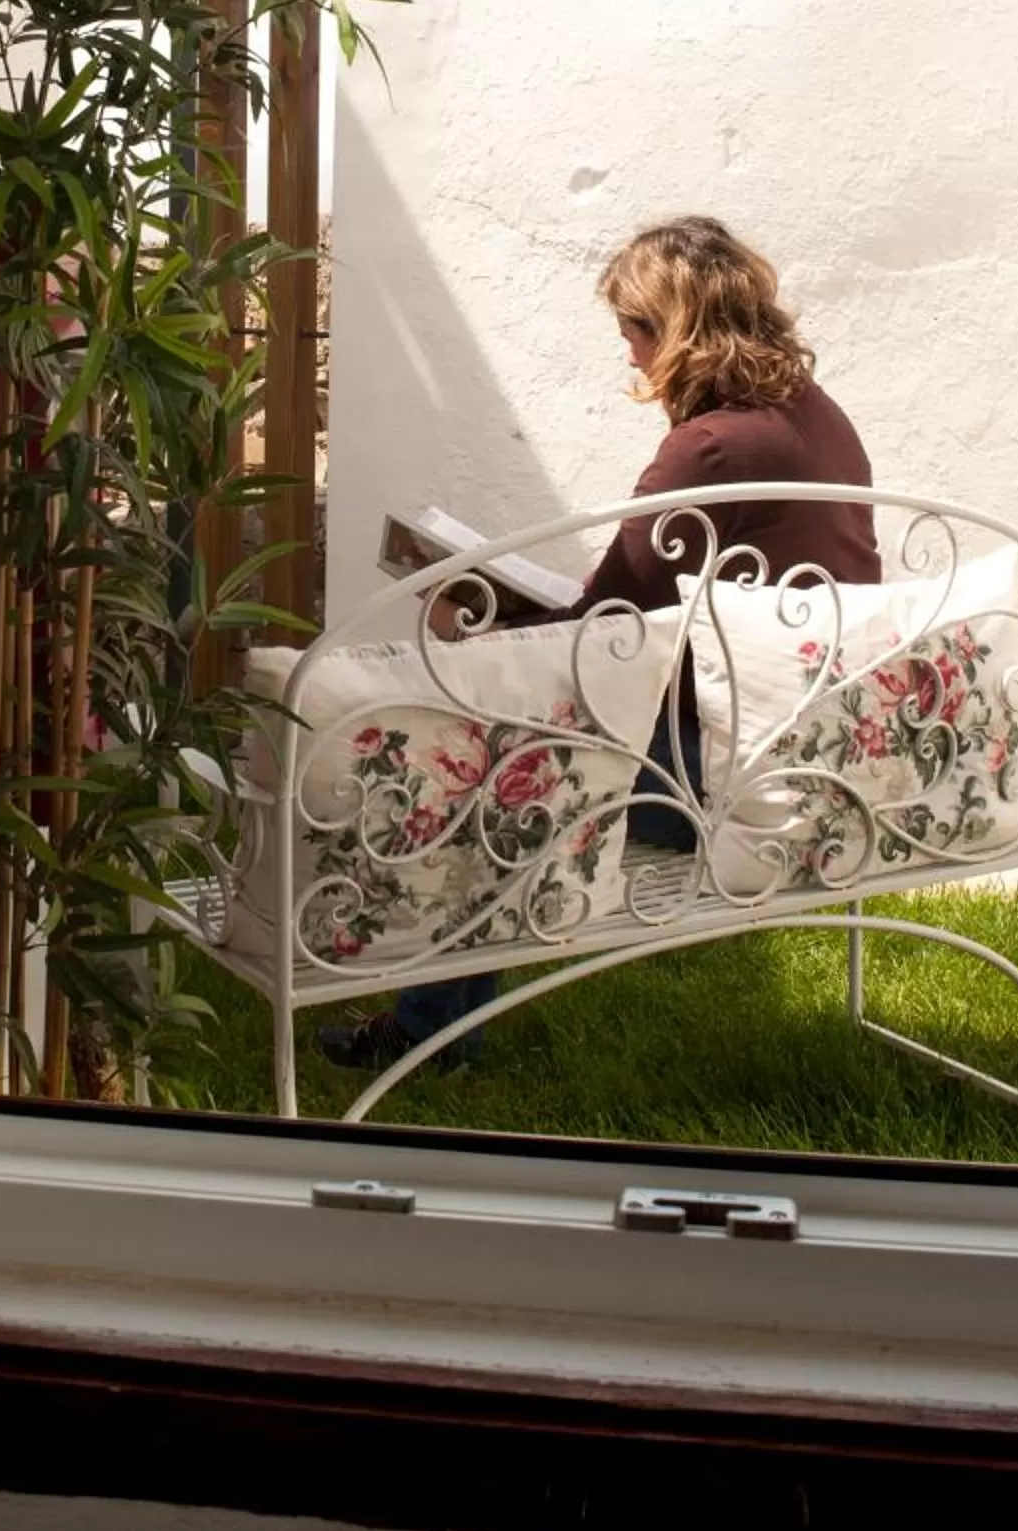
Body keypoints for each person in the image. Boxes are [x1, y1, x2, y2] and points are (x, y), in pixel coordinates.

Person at [319, 216, 878, 1074]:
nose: (628, 355)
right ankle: (437, 1031)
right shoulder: (818, 417)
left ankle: (424, 1037)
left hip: (727, 779)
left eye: (634, 330)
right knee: (528, 751)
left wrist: (478, 620)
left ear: (678, 326)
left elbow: (605, 629)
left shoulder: (709, 448)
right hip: (826, 748)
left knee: (503, 766)